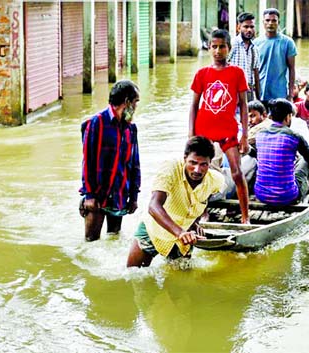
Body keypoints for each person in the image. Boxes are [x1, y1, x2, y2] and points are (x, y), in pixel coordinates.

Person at [126, 137, 225, 267]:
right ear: (185, 159)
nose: (197, 170)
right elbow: (153, 205)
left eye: (203, 164)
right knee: (134, 276)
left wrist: (195, 222)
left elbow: (203, 199)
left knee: (181, 283)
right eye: (192, 163)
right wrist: (180, 232)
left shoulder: (216, 180)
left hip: (184, 239)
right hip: (154, 231)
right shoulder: (170, 168)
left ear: (210, 163)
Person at [188, 29, 250, 224]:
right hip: (203, 131)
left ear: (229, 49)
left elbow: (243, 105)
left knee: (237, 173)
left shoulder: (237, 73)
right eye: (214, 47)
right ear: (208, 48)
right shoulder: (202, 74)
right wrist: (191, 134)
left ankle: (245, 216)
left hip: (228, 131)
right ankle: (202, 212)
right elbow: (194, 106)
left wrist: (245, 135)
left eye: (222, 47)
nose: (217, 51)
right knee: (200, 173)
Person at [79, 80, 141, 242]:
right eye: (135, 102)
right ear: (127, 102)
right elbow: (88, 161)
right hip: (98, 195)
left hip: (120, 194)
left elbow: (134, 163)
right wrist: (89, 195)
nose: (136, 107)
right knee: (91, 242)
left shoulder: (130, 128)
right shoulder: (96, 123)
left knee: (114, 239)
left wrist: (134, 196)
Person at [254, 99, 309, 206]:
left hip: (261, 194)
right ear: (288, 117)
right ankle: (305, 187)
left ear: (271, 117)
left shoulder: (259, 134)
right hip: (287, 195)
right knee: (305, 161)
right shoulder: (294, 136)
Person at [254, 8, 297, 102]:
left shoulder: (287, 42)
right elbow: (254, 70)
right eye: (267, 20)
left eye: (274, 20)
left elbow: (292, 69)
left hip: (280, 94)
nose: (270, 23)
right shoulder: (256, 43)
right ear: (263, 22)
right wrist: (255, 94)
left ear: (279, 22)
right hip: (261, 93)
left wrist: (290, 95)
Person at [228, 12, 261, 102]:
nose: (249, 30)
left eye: (252, 27)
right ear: (238, 28)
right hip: (232, 91)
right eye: (246, 27)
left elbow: (256, 75)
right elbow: (221, 66)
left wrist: (258, 99)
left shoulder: (255, 49)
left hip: (248, 92)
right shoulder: (232, 44)